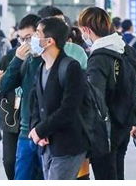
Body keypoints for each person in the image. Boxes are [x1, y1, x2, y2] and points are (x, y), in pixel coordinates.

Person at [78, 7, 136, 180]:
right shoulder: (123, 48)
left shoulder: (98, 57)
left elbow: (95, 97)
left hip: (105, 130)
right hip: (123, 123)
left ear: (86, 29)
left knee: (106, 175)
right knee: (117, 174)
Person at [28, 17, 87, 179]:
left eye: (38, 33)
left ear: (49, 41)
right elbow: (36, 102)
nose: (34, 38)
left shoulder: (70, 67)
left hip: (67, 144)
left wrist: (41, 130)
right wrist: (37, 128)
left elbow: (69, 108)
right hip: (47, 144)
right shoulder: (42, 66)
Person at [0, 15, 40, 180]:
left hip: (34, 121)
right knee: (10, 162)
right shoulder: (11, 57)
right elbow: (1, 83)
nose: (25, 43)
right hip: (12, 117)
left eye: (29, 38)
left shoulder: (45, 59)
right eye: (21, 38)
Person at [37, 6, 88, 70]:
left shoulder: (76, 51)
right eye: (56, 23)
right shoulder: (35, 52)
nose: (62, 26)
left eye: (63, 21)